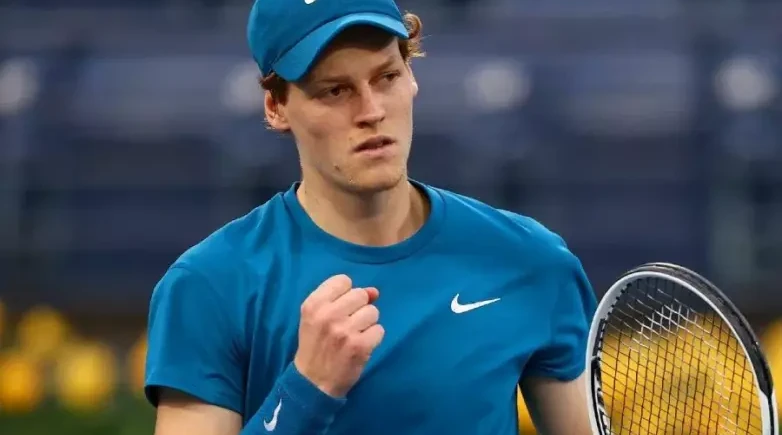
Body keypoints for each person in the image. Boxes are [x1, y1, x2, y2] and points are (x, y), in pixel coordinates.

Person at [144, 0, 597, 433]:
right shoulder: (207, 286)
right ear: (276, 107)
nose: (372, 111)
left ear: (411, 76)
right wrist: (307, 389)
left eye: (387, 77)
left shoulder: (531, 260)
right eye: (335, 90)